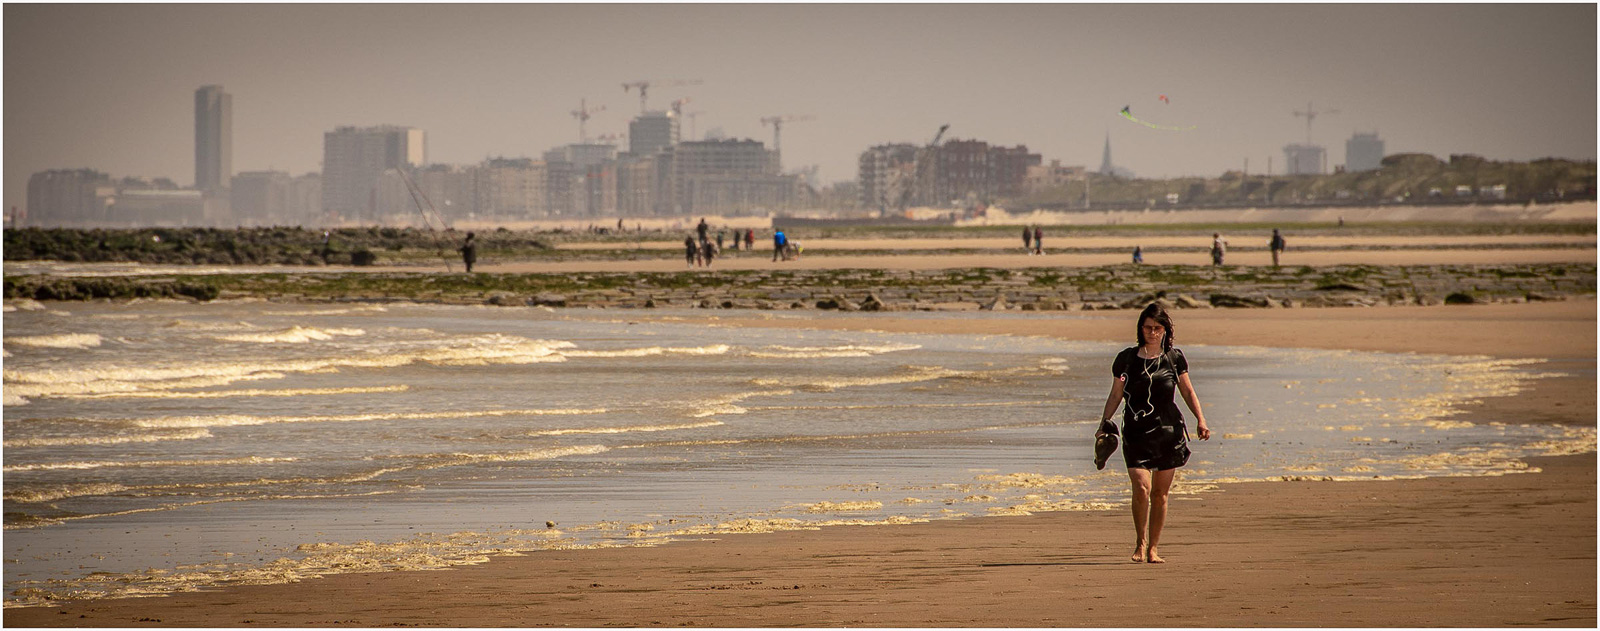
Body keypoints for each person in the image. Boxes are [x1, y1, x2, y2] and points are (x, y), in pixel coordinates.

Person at [1098, 302, 1211, 564]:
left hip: (1168, 432)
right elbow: (1116, 394)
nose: (1152, 332)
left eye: (1157, 328)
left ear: (1165, 330)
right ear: (1140, 328)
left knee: (1160, 494)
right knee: (1141, 488)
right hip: (1135, 432)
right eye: (1147, 327)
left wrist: (1201, 420)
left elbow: (1187, 391)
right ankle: (1140, 542)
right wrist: (1104, 423)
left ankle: (1154, 549)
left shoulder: (1174, 358)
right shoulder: (1126, 359)